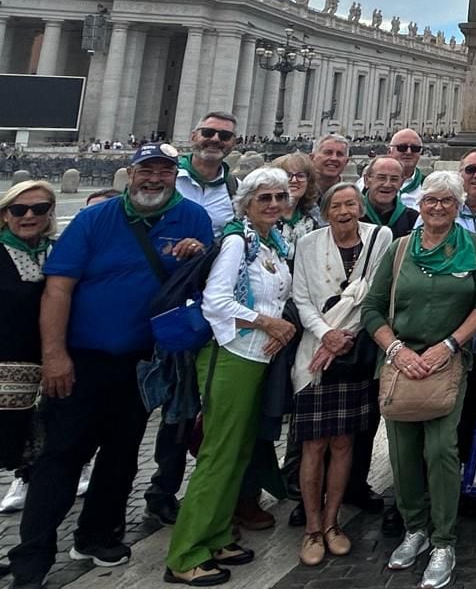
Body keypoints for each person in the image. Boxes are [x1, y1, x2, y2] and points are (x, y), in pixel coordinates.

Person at [7, 144, 210, 589]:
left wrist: (195, 256)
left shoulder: (193, 218)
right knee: (60, 457)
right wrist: (54, 355)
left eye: (163, 171)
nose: (153, 179)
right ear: (130, 174)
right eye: (146, 170)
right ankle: (31, 559)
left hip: (143, 362)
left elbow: (204, 284)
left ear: (175, 175)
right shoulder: (93, 219)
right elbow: (58, 289)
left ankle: (97, 535)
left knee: (122, 455)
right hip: (81, 359)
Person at [363, 171, 476, 589]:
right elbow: (371, 308)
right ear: (419, 205)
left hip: (447, 361)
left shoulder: (472, 247)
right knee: (403, 454)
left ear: (458, 206)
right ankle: (414, 528)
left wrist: (450, 345)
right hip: (401, 362)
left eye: (446, 201)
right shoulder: (401, 248)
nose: (437, 207)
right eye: (430, 200)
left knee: (441, 450)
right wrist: (396, 350)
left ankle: (443, 539)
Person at [164, 169, 298, 585]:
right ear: (247, 203)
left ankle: (218, 535)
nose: (273, 204)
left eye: (279, 197)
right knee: (218, 455)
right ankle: (185, 554)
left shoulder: (272, 242)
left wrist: (275, 326)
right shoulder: (238, 242)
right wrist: (267, 324)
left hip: (257, 359)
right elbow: (216, 301)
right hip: (230, 355)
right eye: (264, 199)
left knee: (239, 451)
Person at [289, 183, 393, 567]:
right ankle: (312, 527)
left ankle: (333, 523)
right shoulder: (309, 244)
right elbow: (300, 298)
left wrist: (345, 336)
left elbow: (379, 293)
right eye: (337, 205)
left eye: (352, 203)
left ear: (361, 207)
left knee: (344, 443)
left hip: (354, 353)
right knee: (314, 445)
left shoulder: (379, 238)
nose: (345, 210)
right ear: (326, 210)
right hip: (316, 354)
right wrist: (326, 334)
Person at [0, 182, 54, 519]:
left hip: (47, 376)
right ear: (5, 215)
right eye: (19, 209)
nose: (29, 215)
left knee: (41, 458)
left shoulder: (60, 252)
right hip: (4, 373)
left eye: (39, 209)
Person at [175, 111, 241, 238]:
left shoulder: (236, 188)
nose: (215, 139)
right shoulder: (165, 179)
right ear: (193, 137)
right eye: (207, 133)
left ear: (234, 143)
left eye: (225, 136)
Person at [272, 152, 321, 255]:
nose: (294, 180)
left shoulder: (311, 223)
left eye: (300, 176)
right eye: (287, 175)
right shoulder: (265, 219)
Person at [361, 156, 418, 238]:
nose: (387, 184)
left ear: (401, 183)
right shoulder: (354, 216)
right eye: (381, 178)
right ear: (366, 180)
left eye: (394, 179)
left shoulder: (413, 220)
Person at [386, 128, 427, 207]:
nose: (408, 152)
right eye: (402, 147)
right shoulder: (368, 184)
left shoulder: (428, 186)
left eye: (415, 148)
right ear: (389, 152)